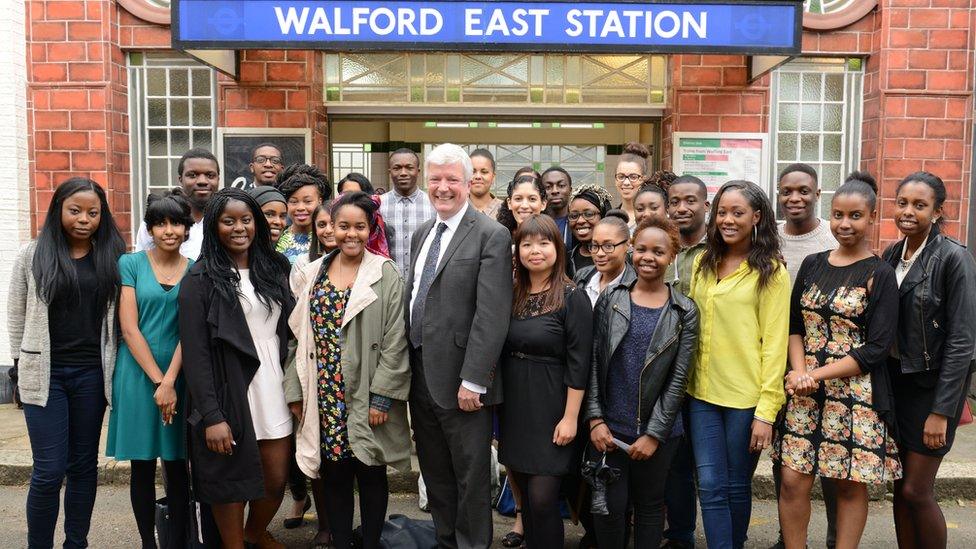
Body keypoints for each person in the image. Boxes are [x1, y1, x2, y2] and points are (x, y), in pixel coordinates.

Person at [773, 173, 901, 549]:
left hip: (854, 394)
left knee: (847, 482)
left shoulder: (880, 273)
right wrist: (798, 372)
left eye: (856, 216)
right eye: (839, 215)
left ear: (872, 218)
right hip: (804, 390)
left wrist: (814, 373)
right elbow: (794, 324)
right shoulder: (812, 263)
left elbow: (876, 349)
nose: (846, 224)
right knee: (793, 479)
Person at [286, 191, 412, 549]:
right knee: (334, 474)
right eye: (343, 226)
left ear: (370, 228)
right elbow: (297, 339)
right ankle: (341, 541)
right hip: (324, 393)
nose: (351, 234)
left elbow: (395, 339)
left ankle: (370, 542)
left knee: (371, 471)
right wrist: (294, 390)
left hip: (366, 391)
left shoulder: (384, 272)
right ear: (330, 228)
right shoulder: (312, 273)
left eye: (360, 226)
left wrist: (383, 397)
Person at [406, 143, 513, 548]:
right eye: (435, 179)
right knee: (435, 474)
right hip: (420, 375)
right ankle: (446, 541)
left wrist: (474, 380)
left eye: (452, 179)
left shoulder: (491, 234)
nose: (443, 187)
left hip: (463, 382)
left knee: (469, 477)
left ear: (469, 184)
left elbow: (492, 313)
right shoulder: (422, 233)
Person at [8, 177, 125, 548]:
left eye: (93, 212)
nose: (84, 219)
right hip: (45, 375)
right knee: (48, 470)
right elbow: (16, 313)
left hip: (92, 374)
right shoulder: (33, 254)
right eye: (75, 211)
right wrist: (17, 367)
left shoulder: (114, 256)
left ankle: (77, 543)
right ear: (58, 210)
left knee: (83, 467)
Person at [179, 188, 295, 549]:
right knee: (229, 478)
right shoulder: (200, 279)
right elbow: (195, 354)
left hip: (272, 381)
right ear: (214, 227)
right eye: (228, 221)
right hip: (227, 383)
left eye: (246, 220)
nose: (239, 228)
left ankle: (255, 532)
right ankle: (233, 544)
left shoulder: (276, 269)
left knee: (276, 476)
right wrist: (211, 416)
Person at [687, 180, 791, 549]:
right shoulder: (703, 262)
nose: (727, 220)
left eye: (738, 212)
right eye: (722, 212)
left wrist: (766, 412)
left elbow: (775, 345)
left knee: (734, 485)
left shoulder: (772, 273)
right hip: (700, 394)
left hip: (746, 399)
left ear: (757, 217)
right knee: (711, 485)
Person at [586, 215, 699, 548]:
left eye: (658, 252)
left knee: (650, 508)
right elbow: (593, 362)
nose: (649, 257)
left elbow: (679, 380)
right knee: (609, 509)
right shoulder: (612, 299)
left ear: (672, 256)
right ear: (632, 250)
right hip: (609, 428)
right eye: (642, 249)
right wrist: (594, 419)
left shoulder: (685, 311)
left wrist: (654, 434)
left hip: (659, 433)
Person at [883, 171, 976, 549]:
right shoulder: (893, 253)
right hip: (896, 386)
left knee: (917, 490)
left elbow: (963, 342)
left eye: (919, 205)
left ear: (937, 212)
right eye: (903, 203)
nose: (908, 212)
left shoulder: (954, 258)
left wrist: (942, 409)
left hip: (933, 391)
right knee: (899, 489)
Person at [498, 214, 592, 548]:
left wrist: (570, 418)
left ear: (558, 248)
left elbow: (580, 364)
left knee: (542, 498)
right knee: (525, 496)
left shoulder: (572, 296)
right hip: (516, 407)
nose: (534, 250)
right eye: (526, 244)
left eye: (543, 242)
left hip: (554, 407)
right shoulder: (512, 294)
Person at [107, 191, 193, 549]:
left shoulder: (196, 269)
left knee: (177, 466)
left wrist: (171, 381)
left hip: (180, 374)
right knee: (142, 466)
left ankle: (177, 542)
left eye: (176, 222)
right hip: (138, 376)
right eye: (160, 223)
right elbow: (129, 328)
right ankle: (148, 543)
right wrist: (159, 382)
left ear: (187, 229)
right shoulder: (130, 264)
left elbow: (192, 332)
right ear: (150, 228)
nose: (168, 230)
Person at [770, 163, 840, 549]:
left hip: (827, 363)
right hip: (778, 360)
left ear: (817, 194)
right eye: (786, 191)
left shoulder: (833, 235)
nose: (794, 198)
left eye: (803, 191)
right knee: (785, 454)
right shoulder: (769, 238)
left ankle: (835, 536)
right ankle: (788, 536)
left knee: (830, 456)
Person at [661, 174, 710, 549]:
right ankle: (679, 535)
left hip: (711, 375)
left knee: (711, 470)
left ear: (705, 206)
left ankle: (726, 537)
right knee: (675, 466)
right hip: (667, 376)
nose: (682, 208)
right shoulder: (661, 249)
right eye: (675, 201)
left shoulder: (721, 248)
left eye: (690, 200)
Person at [135, 148, 220, 259]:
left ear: (218, 179)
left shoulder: (227, 219)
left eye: (210, 175)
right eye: (192, 175)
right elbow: (141, 265)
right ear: (180, 179)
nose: (202, 181)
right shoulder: (157, 219)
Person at [379, 148, 436, 275]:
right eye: (397, 168)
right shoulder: (378, 205)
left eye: (409, 167)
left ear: (418, 171)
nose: (403, 173)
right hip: (389, 282)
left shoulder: (434, 205)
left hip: (423, 282)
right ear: (390, 172)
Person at [574, 211, 634, 307]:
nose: (599, 253)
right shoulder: (582, 277)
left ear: (627, 244)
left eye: (608, 246)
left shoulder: (635, 287)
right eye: (595, 246)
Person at [276, 164, 332, 264]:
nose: (300, 208)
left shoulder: (329, 236)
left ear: (320, 201)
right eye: (293, 202)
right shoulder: (276, 237)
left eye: (308, 201)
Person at [567, 184, 613, 276]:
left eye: (588, 214)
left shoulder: (618, 257)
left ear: (604, 216)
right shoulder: (564, 260)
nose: (580, 221)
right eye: (574, 216)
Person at [613, 142, 651, 231]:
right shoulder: (610, 217)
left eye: (633, 177)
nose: (626, 182)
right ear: (615, 180)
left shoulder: (650, 217)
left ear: (643, 179)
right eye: (621, 177)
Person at [542, 167, 574, 250]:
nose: (555, 191)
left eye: (561, 185)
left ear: (570, 190)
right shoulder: (535, 222)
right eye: (548, 187)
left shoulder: (577, 222)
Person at [469, 148, 503, 219]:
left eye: (484, 172)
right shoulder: (457, 208)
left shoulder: (505, 209)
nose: (478, 176)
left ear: (493, 177)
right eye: (473, 172)